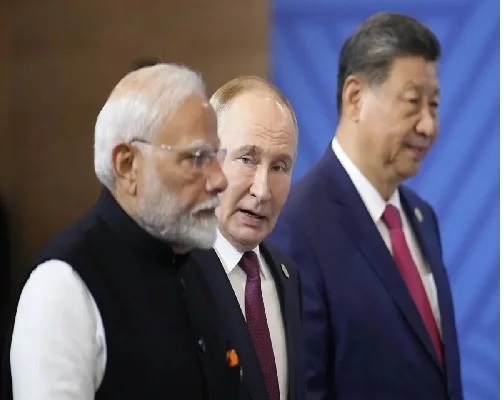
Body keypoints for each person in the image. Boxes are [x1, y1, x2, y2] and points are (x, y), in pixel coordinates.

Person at [2, 63, 242, 400]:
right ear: (127, 165)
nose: (219, 179)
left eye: (216, 156)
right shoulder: (62, 286)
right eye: (197, 157)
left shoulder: (201, 268)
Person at [269, 12, 463, 400]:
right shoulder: (298, 227)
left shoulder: (422, 217)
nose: (428, 125)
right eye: (413, 103)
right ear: (355, 97)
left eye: (435, 105)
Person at [191, 76, 306, 400]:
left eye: (279, 167)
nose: (262, 190)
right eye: (247, 159)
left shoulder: (287, 275)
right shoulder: (174, 274)